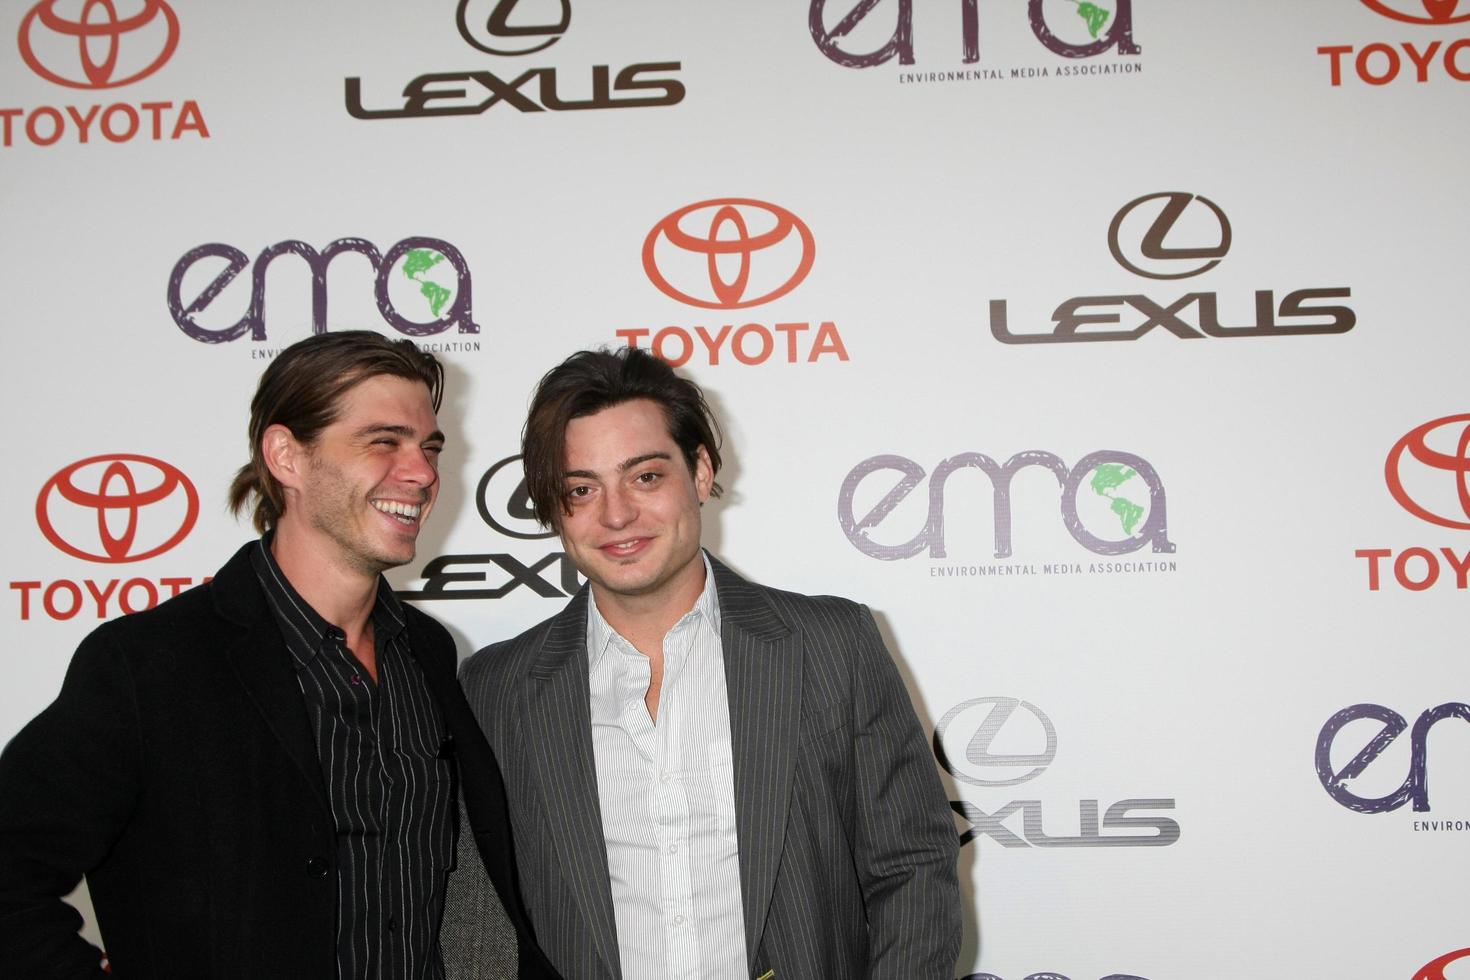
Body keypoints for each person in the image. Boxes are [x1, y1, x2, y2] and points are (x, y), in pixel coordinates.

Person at [0, 331, 559, 980]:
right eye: (384, 441)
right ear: (287, 456)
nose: (423, 472)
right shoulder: (151, 665)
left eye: (429, 447)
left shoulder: (427, 652)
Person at [459, 347, 961, 980]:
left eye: (645, 477)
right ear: (554, 509)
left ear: (699, 471)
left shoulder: (830, 644)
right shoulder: (496, 688)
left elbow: (912, 866)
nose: (616, 515)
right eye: (582, 489)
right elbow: (480, 921)